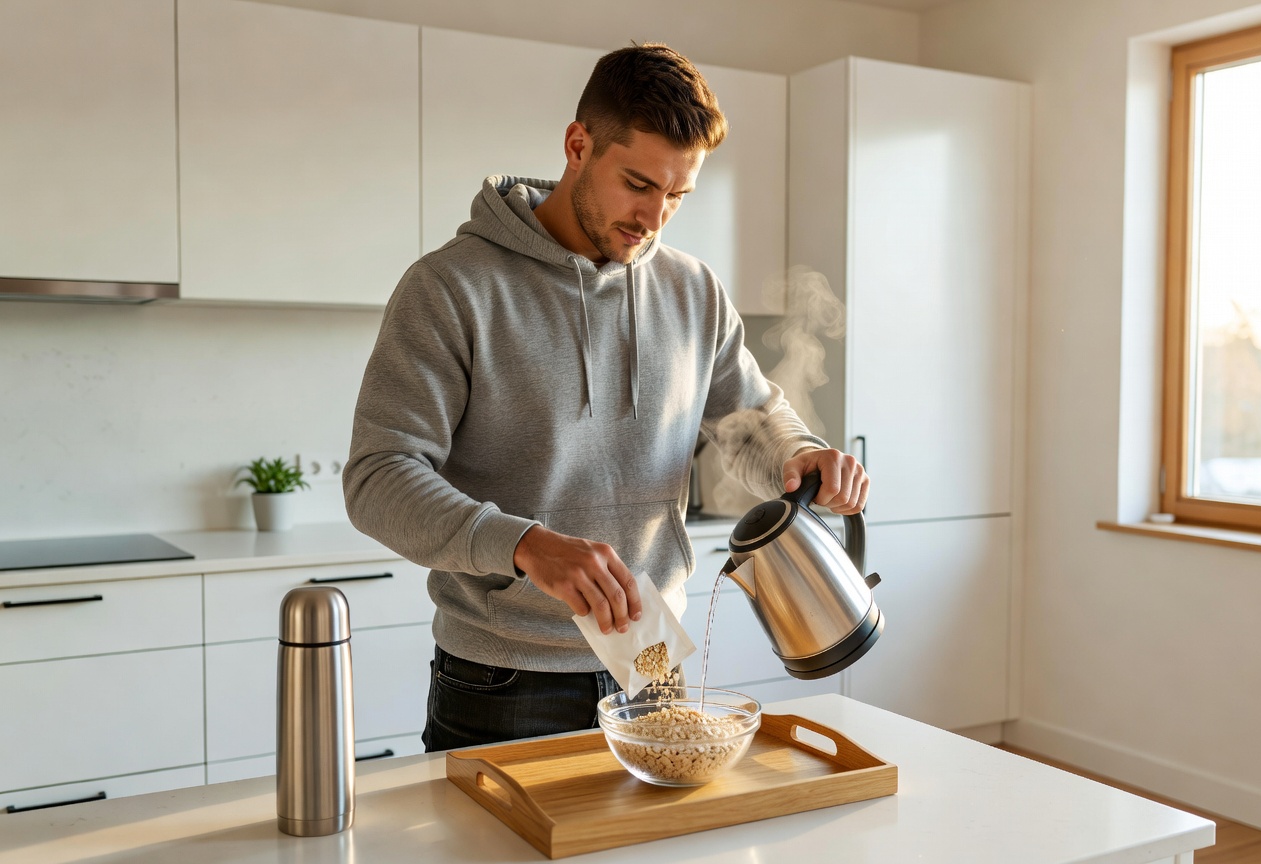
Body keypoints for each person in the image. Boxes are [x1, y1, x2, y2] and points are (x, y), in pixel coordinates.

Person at [343, 42, 868, 753]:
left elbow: (750, 421)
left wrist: (799, 454)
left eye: (678, 196)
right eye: (638, 184)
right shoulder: (451, 289)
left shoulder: (693, 291)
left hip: (651, 660)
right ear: (578, 145)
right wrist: (526, 545)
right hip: (505, 671)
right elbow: (379, 478)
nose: (655, 218)